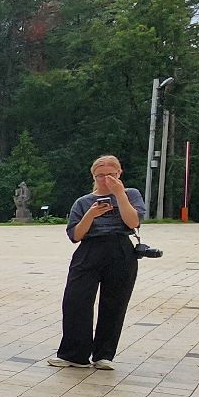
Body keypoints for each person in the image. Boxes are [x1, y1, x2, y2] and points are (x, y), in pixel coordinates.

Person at [50, 154, 146, 370]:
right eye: (100, 175)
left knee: (114, 303)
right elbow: (75, 235)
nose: (105, 179)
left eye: (110, 174)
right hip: (89, 250)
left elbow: (134, 222)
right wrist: (91, 214)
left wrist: (119, 195)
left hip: (120, 249)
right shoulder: (83, 202)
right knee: (76, 300)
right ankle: (74, 354)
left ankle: (104, 354)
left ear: (119, 173)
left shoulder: (131, 194)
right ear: (93, 176)